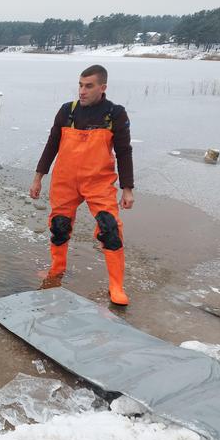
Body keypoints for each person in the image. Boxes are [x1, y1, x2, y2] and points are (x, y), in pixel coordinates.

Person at [29, 65, 134, 306]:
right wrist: (38, 177)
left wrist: (127, 188)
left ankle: (116, 286)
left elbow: (124, 151)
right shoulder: (68, 111)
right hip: (65, 180)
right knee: (59, 226)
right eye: (80, 85)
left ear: (102, 87)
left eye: (89, 86)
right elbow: (52, 144)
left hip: (98, 181)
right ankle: (56, 270)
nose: (82, 91)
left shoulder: (114, 114)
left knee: (110, 228)